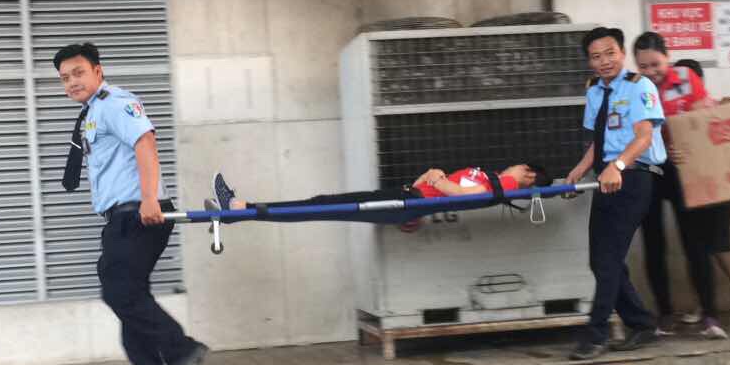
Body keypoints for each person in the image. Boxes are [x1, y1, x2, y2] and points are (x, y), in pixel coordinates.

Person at [55, 42, 208, 365]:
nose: (72, 82)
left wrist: (150, 199)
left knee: (120, 290)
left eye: (78, 73)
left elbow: (145, 142)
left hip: (139, 212)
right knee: (125, 288)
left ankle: (182, 350)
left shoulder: (114, 103)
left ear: (98, 71)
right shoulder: (93, 112)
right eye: (65, 78)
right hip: (122, 216)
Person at [564, 27, 668, 360]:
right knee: (600, 260)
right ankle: (642, 324)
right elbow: (599, 140)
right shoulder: (595, 90)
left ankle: (596, 336)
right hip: (606, 179)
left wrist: (618, 166)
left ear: (622, 53)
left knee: (608, 260)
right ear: (589, 62)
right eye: (596, 56)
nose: (604, 61)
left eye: (610, 53)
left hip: (633, 177)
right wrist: (579, 169)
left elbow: (644, 136)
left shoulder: (640, 86)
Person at [632, 34, 728, 339]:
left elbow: (703, 120)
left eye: (655, 64)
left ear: (668, 57)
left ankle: (710, 315)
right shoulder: (632, 87)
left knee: (695, 243)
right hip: (649, 170)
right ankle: (664, 315)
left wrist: (687, 142)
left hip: (684, 171)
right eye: (643, 66)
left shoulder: (686, 78)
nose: (650, 72)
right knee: (654, 244)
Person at [672, 57, 730, 327]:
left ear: (697, 81)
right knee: (695, 250)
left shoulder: (718, 110)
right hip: (689, 188)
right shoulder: (672, 116)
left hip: (720, 189)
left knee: (720, 245)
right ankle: (703, 302)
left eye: (686, 82)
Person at [213, 164, 552, 214]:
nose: (516, 166)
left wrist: (437, 179)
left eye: (522, 166)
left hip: (407, 201)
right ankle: (240, 209)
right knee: (322, 203)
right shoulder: (496, 179)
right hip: (409, 195)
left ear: (529, 175)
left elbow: (463, 196)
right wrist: (430, 176)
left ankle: (240, 208)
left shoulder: (506, 183)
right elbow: (428, 183)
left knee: (321, 204)